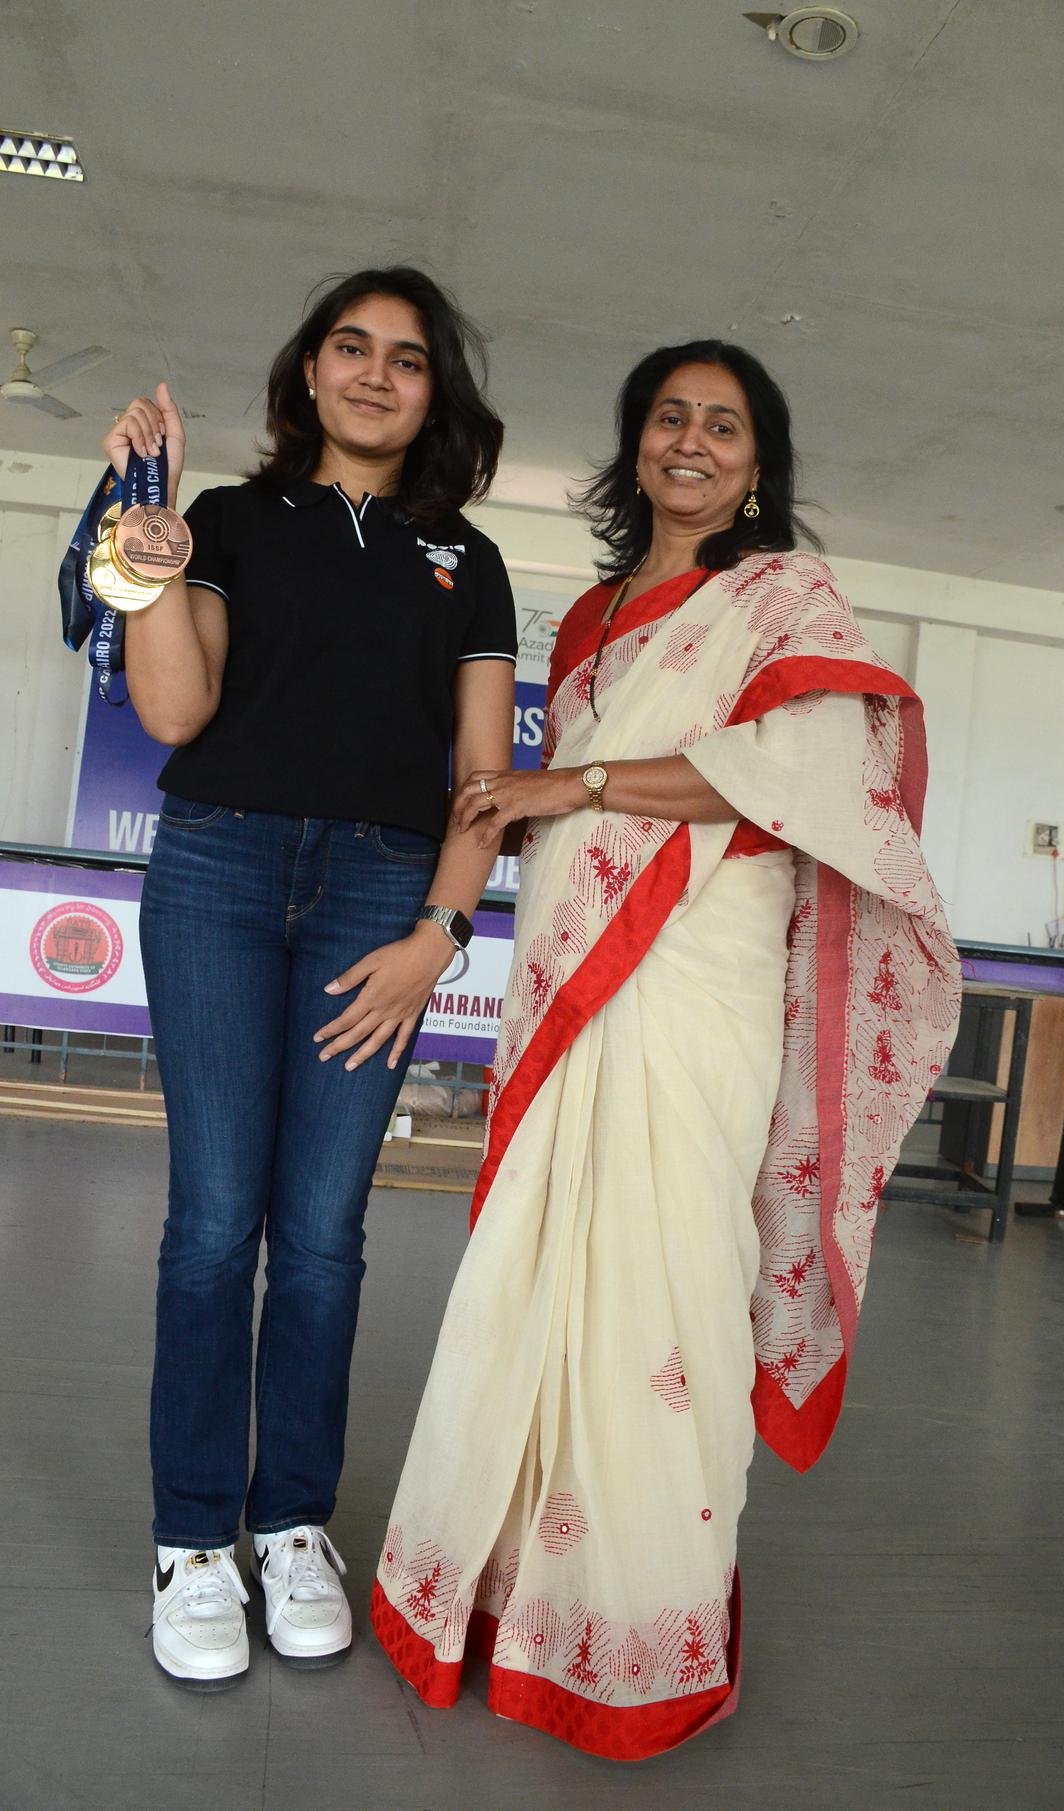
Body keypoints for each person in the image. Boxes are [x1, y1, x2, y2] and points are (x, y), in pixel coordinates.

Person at [369, 339, 962, 1759]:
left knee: (668, 1294)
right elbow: (533, 805)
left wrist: (560, 782)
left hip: (695, 989)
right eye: (669, 420)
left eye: (726, 427)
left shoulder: (780, 600)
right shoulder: (587, 619)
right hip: (568, 983)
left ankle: (635, 1633)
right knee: (543, 1270)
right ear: (636, 445)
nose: (693, 443)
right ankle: (515, 1599)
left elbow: (791, 779)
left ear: (761, 467)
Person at [105, 267, 517, 1688]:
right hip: (216, 873)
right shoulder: (225, 520)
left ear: (433, 394)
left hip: (379, 898)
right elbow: (173, 705)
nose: (377, 373)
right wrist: (139, 553)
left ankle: (291, 1525)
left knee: (327, 1235)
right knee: (217, 1225)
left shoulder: (468, 557)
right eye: (354, 346)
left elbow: (482, 777)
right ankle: (191, 1540)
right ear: (309, 371)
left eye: (407, 358)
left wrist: (441, 933)